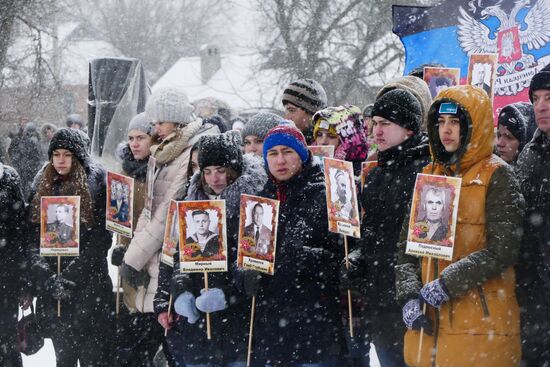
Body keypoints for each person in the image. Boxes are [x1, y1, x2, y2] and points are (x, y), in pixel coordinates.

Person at [396, 85, 524, 366]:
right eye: (440, 122)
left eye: (455, 121)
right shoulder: (429, 174)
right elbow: (405, 251)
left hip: (481, 329)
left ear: (473, 125)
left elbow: (503, 250)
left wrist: (448, 283)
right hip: (427, 333)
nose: (446, 130)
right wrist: (407, 296)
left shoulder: (498, 176)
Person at [121, 87, 219, 366]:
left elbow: (169, 212)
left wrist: (135, 257)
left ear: (175, 120)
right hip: (151, 254)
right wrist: (134, 254)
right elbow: (149, 210)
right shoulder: (163, 152)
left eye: (160, 122)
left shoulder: (190, 151)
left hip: (172, 253)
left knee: (173, 344)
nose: (155, 128)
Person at [155, 130, 267, 366]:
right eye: (207, 172)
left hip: (238, 328)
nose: (214, 178)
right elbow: (175, 256)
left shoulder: (252, 204)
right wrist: (178, 287)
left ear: (233, 170)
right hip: (196, 330)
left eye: (220, 171)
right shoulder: (191, 203)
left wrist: (229, 293)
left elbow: (255, 265)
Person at [235, 122, 342, 366]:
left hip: (314, 327)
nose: (280, 160)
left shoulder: (324, 195)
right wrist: (244, 275)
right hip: (269, 330)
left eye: (287, 152)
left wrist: (300, 258)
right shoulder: (259, 200)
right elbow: (242, 255)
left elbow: (342, 258)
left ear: (302, 155)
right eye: (272, 153)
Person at [343, 88, 430, 366]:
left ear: (408, 129)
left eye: (385, 124)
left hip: (413, 297)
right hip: (379, 297)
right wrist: (357, 258)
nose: (376, 131)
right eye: (374, 123)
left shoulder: (427, 171)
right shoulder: (377, 173)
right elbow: (370, 233)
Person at [28, 128, 115, 366]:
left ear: (78, 157)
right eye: (56, 154)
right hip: (55, 294)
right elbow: (32, 239)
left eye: (67, 154)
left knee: (93, 357)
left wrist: (71, 276)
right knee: (63, 357)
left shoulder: (96, 186)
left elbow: (100, 240)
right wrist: (47, 278)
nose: (61, 160)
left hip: (89, 288)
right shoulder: (41, 187)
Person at [109, 112, 165, 367]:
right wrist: (121, 247)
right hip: (130, 263)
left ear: (153, 138)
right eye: (131, 138)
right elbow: (120, 221)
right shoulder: (123, 174)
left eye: (141, 137)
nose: (135, 143)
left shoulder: (162, 171)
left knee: (154, 334)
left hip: (156, 262)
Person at [515, 63, 550, 365]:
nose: (541, 106)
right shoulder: (529, 152)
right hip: (532, 294)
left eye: (549, 98)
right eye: (535, 98)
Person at [0, 160, 29, 367]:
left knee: (6, 339)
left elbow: (20, 234)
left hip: (5, 277)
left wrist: (24, 282)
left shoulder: (8, 178)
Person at [311, 105, 370, 173]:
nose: (323, 142)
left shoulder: (365, 171)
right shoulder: (309, 164)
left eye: (331, 136)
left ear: (347, 140)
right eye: (319, 135)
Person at [282, 78, 328, 143]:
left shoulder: (332, 146)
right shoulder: (284, 145)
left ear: (312, 113)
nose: (286, 118)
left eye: (292, 110)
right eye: (286, 111)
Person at [8, 122, 45, 199]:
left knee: (28, 190)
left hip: (28, 170)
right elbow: (13, 154)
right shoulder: (21, 141)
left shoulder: (31, 142)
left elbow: (37, 157)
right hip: (26, 170)